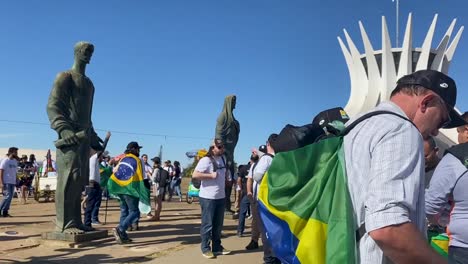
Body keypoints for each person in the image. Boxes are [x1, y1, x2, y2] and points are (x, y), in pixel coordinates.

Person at [344, 70, 466, 263]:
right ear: (426, 102)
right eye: (442, 120)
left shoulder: (355, 125)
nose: (435, 131)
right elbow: (388, 228)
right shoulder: (402, 130)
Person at [47, 41, 104, 234]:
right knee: (67, 179)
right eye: (86, 51)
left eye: (91, 52)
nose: (89, 55)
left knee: (79, 180)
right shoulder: (65, 77)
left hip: (84, 137)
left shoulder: (89, 84)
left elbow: (87, 116)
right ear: (77, 52)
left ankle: (75, 221)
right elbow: (53, 106)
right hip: (70, 137)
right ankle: (63, 223)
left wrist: (94, 136)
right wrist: (63, 129)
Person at [426, 112, 468, 262]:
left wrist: (440, 220)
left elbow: (431, 206)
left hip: (463, 250)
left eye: (459, 132)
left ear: (467, 131)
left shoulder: (456, 157)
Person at [192, 138, 231, 259]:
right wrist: (210, 175)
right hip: (208, 198)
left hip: (220, 197)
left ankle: (217, 247)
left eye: (222, 147)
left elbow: (225, 174)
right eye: (219, 147)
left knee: (218, 225)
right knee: (207, 224)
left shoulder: (223, 159)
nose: (221, 149)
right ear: (212, 148)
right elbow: (195, 174)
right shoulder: (206, 160)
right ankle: (205, 248)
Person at [252, 136, 280, 264]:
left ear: (268, 144)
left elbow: (257, 176)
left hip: (263, 200)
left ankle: (269, 259)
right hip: (276, 200)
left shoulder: (266, 159)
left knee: (265, 231)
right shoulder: (280, 158)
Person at [109, 142, 145, 244]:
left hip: (119, 188)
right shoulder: (137, 160)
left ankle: (123, 236)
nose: (139, 151)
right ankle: (120, 229)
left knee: (124, 211)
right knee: (135, 212)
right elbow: (140, 175)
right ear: (134, 149)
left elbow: (115, 171)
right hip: (130, 189)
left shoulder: (123, 159)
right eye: (138, 149)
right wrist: (142, 190)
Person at [215, 95, 240, 214]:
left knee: (229, 182)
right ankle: (222, 207)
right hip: (224, 155)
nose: (235, 104)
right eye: (234, 101)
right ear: (228, 102)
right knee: (224, 181)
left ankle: (226, 206)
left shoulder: (233, 119)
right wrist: (224, 153)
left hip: (231, 154)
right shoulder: (222, 117)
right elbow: (218, 138)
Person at [83, 150, 106, 228]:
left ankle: (89, 223)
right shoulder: (92, 158)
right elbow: (101, 150)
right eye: (101, 157)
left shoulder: (96, 162)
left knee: (95, 204)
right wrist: (107, 139)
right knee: (90, 205)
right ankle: (87, 224)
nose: (102, 159)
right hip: (91, 184)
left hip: (96, 185)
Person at [0, 147, 19, 217]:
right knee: (7, 196)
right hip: (6, 181)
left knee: (10, 197)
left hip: (12, 182)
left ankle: (5, 212)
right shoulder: (5, 160)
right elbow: (1, 171)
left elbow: (15, 172)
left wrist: (17, 179)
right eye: (15, 152)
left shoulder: (15, 161)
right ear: (11, 152)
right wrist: (1, 182)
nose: (16, 154)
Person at [149, 157, 168, 221]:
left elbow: (153, 179)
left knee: (157, 201)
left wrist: (149, 175)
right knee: (159, 202)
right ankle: (158, 215)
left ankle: (156, 216)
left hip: (156, 186)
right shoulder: (161, 168)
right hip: (161, 186)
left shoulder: (156, 169)